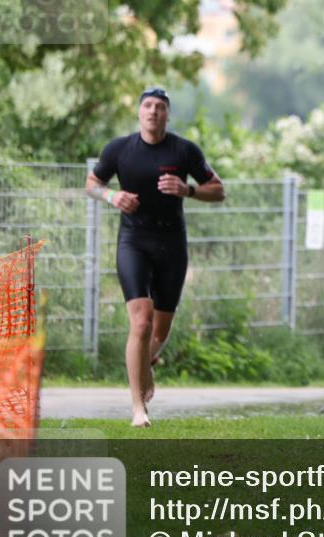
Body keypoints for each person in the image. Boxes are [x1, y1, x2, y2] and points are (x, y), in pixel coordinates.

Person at [85, 87, 225, 427]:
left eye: (160, 107)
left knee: (159, 331)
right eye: (147, 105)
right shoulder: (119, 149)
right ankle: (138, 409)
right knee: (141, 321)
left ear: (167, 114)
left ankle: (145, 364)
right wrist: (111, 196)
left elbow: (218, 190)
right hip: (133, 241)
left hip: (172, 244)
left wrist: (187, 189)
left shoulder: (184, 150)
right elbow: (91, 183)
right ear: (138, 112)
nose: (153, 111)